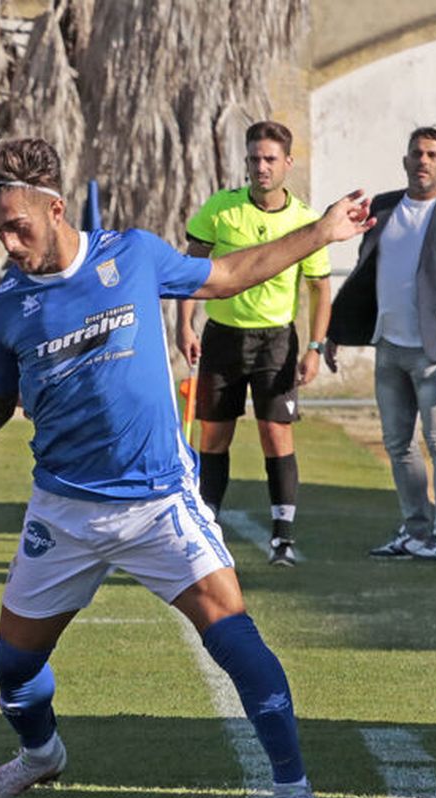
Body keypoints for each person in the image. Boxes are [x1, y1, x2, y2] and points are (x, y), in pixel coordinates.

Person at [0, 137, 375, 798]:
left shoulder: (130, 255)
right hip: (64, 509)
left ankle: (293, 789)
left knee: (236, 638)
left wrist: (322, 231)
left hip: (158, 500)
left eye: (19, 225)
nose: (10, 242)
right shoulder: (9, 305)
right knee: (14, 669)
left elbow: (224, 275)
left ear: (56, 207)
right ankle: (40, 753)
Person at [324, 126, 436, 563]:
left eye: (432, 154)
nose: (423, 161)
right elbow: (363, 276)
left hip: (434, 352)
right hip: (388, 347)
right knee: (397, 444)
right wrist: (335, 331)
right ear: (406, 161)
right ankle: (415, 530)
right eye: (417, 154)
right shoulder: (382, 208)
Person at [177, 121, 333, 567]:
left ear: (287, 163)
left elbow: (320, 288)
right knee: (215, 435)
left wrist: (315, 347)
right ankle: (207, 527)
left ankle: (282, 537)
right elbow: (190, 269)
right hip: (222, 338)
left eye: (269, 159)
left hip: (276, 342)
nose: (260, 167)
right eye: (253, 159)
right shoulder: (221, 209)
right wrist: (184, 325)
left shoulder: (306, 221)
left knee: (274, 433)